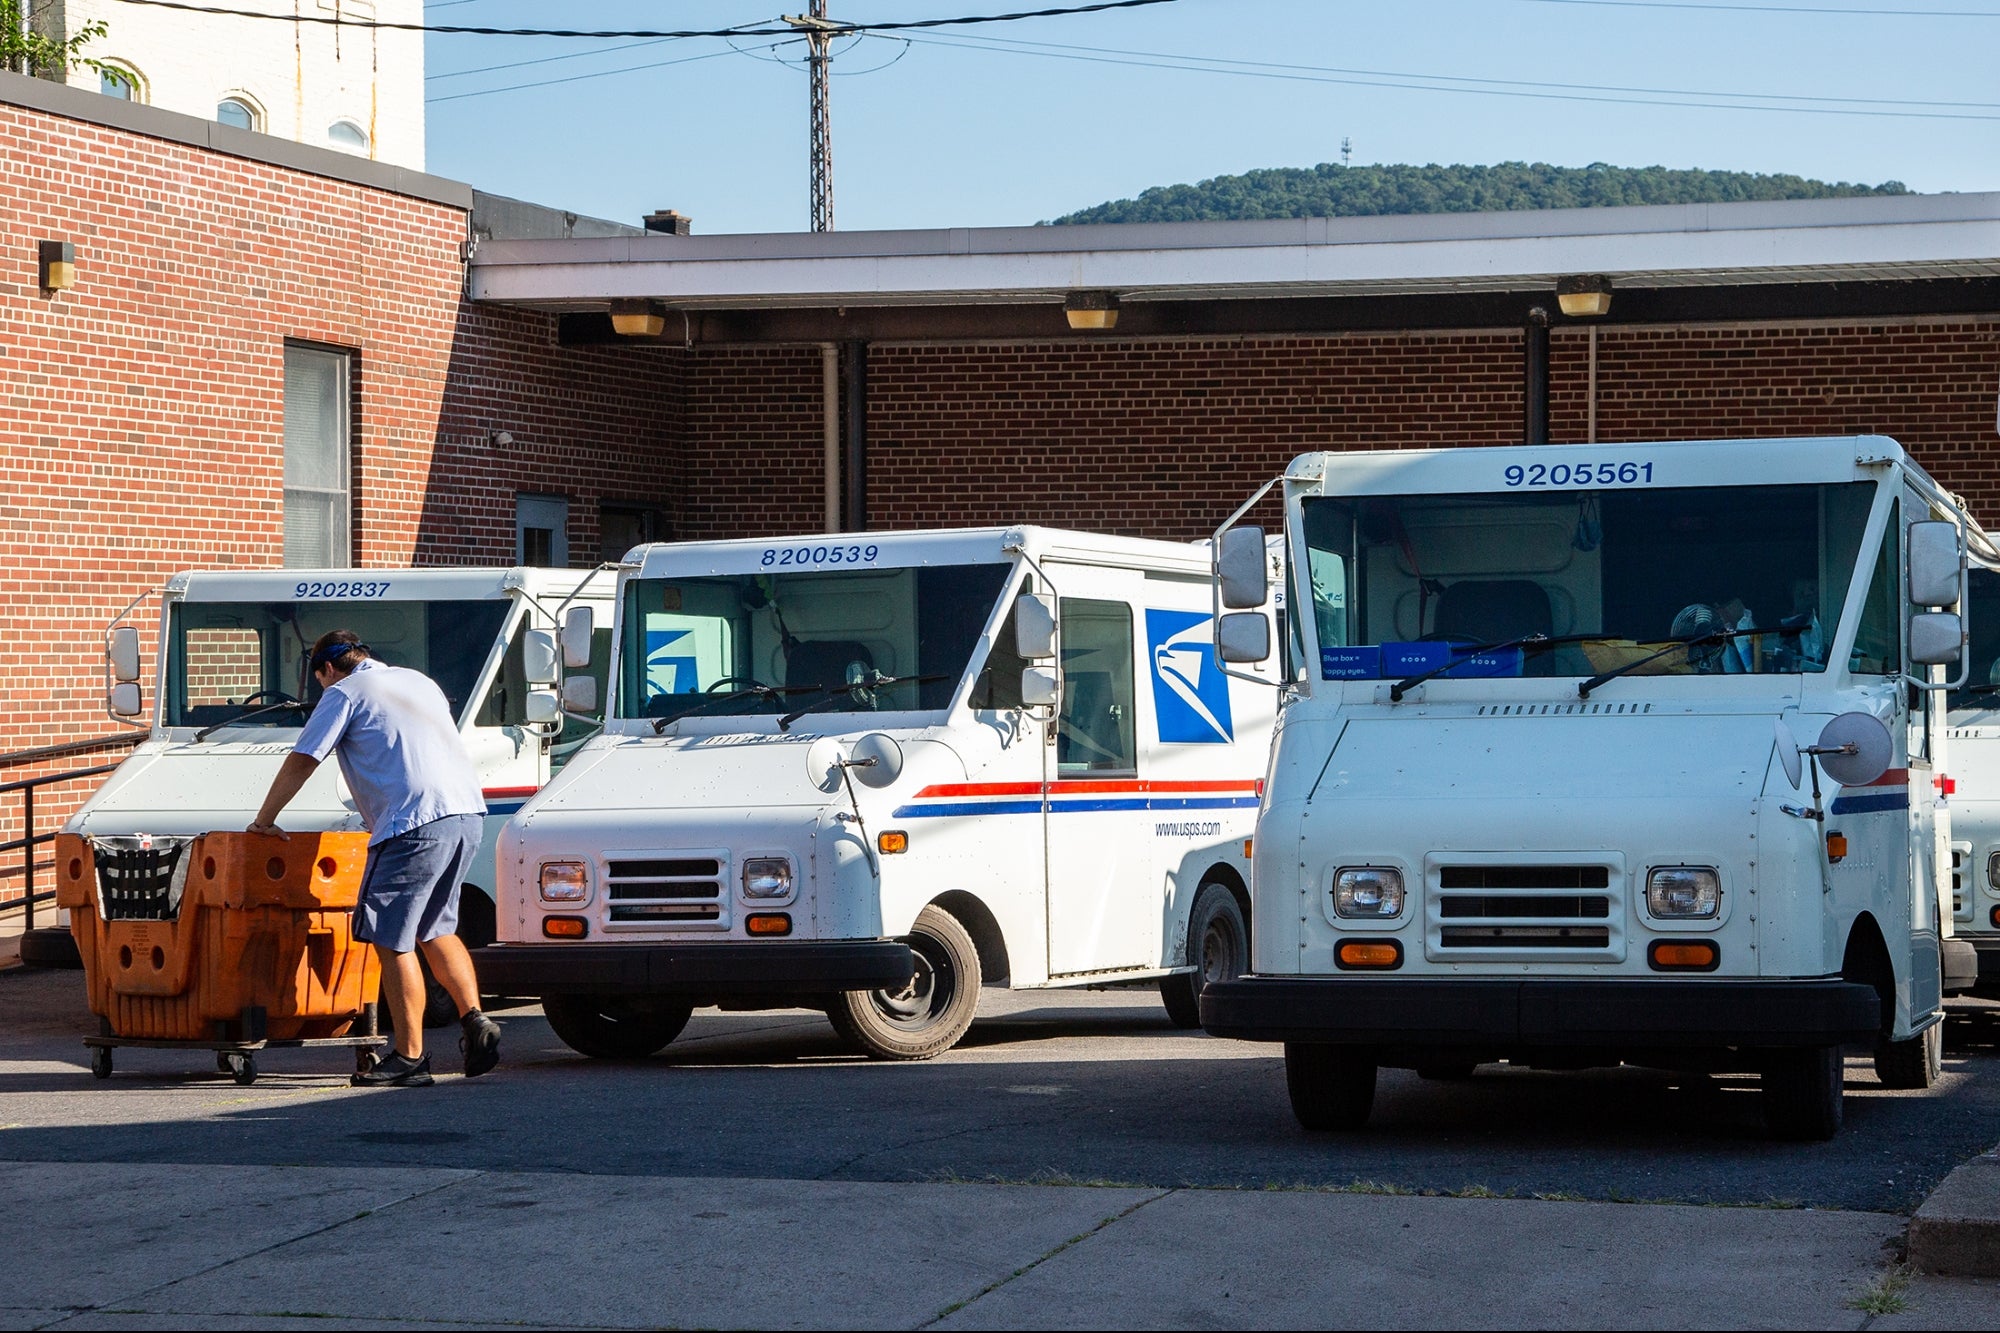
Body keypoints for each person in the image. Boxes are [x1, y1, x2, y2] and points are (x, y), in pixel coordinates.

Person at [247, 630, 501, 1087]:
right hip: (466, 814)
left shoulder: (343, 691)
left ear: (325, 670)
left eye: (319, 678)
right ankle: (475, 1020)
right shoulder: (418, 682)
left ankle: (410, 1057)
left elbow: (304, 759)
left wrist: (264, 819)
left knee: (390, 938)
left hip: (413, 823)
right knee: (436, 928)